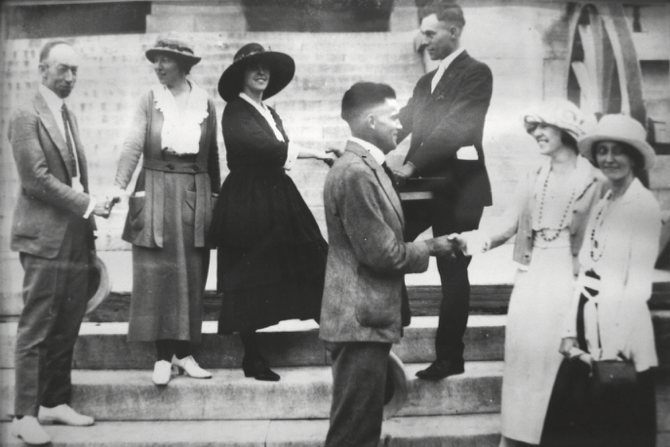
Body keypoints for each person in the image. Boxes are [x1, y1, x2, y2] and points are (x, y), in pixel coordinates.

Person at [453, 100, 605, 447]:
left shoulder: (595, 180)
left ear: (566, 131)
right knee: (524, 358)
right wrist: (476, 241)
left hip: (571, 280)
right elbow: (507, 225)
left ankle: (555, 436)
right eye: (532, 128)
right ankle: (519, 437)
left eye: (543, 127)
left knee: (558, 358)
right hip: (532, 276)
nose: (536, 133)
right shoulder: (533, 176)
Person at [320, 82, 456, 447]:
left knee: (360, 429)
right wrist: (431, 247)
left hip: (365, 319)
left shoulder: (365, 167)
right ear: (369, 121)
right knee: (353, 434)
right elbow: (382, 254)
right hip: (360, 321)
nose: (401, 125)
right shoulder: (356, 172)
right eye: (393, 117)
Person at [8, 40, 111, 445]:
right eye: (62, 69)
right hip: (44, 239)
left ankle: (53, 401)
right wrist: (90, 204)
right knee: (36, 326)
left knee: (67, 323)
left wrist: (89, 212)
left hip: (73, 237)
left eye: (75, 71)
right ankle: (23, 414)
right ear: (42, 70)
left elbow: (72, 177)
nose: (70, 78)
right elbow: (36, 179)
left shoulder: (67, 114)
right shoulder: (25, 114)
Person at [210, 43, 331, 382]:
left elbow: (277, 149)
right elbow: (267, 149)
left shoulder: (269, 112)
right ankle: (253, 356)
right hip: (248, 200)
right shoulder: (234, 110)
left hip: (277, 195)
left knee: (312, 256)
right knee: (249, 273)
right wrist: (317, 153)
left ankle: (337, 339)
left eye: (266, 68)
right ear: (241, 77)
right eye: (254, 68)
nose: (262, 73)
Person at [112, 35, 220, 386]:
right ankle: (161, 357)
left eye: (165, 60)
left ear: (183, 64)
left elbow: (212, 157)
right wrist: (119, 185)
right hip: (155, 189)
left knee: (191, 272)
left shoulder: (205, 101)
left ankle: (184, 353)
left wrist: (215, 198)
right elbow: (132, 143)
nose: (158, 66)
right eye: (155, 60)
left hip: (194, 190)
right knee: (157, 274)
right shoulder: (149, 99)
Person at [394, 1, 494, 380]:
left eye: (431, 33)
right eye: (423, 33)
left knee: (452, 271)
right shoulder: (426, 81)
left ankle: (450, 356)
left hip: (460, 190)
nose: (424, 41)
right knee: (390, 247)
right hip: (425, 189)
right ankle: (397, 316)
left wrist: (412, 164)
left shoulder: (476, 74)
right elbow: (400, 121)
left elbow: (456, 127)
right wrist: (359, 143)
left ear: (453, 32)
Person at [558, 114, 660, 447]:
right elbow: (586, 269)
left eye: (619, 151)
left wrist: (611, 349)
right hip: (590, 326)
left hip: (622, 333)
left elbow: (637, 288)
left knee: (620, 426)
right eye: (603, 151)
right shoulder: (603, 204)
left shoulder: (643, 206)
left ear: (633, 158)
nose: (609, 159)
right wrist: (570, 330)